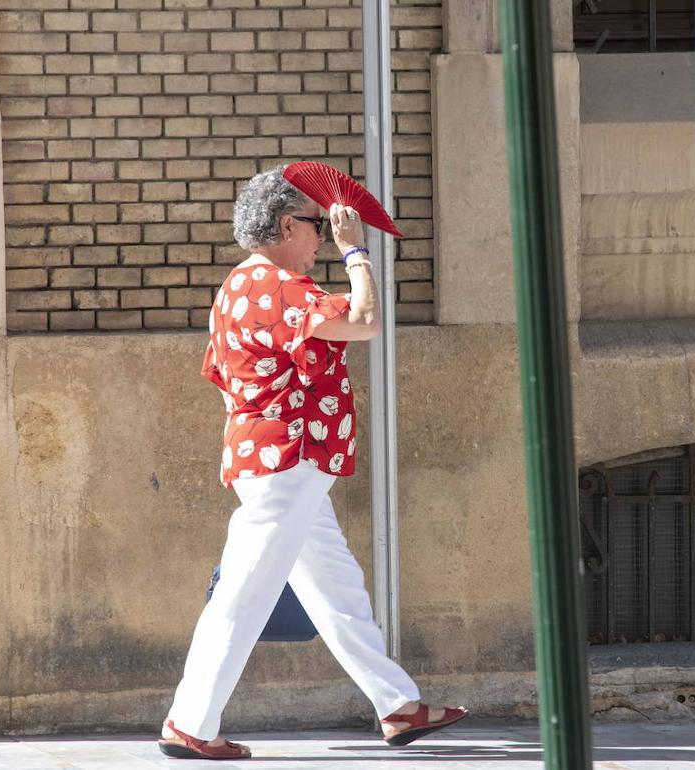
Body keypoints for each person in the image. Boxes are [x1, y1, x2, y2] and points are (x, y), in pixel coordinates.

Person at [158, 166, 466, 760]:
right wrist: (356, 251)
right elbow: (366, 322)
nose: (321, 235)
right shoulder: (278, 286)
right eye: (315, 224)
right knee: (244, 592)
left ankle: (398, 705)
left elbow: (222, 376)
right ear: (284, 226)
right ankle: (190, 724)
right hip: (289, 457)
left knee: (337, 589)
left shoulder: (237, 285)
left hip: (273, 457)